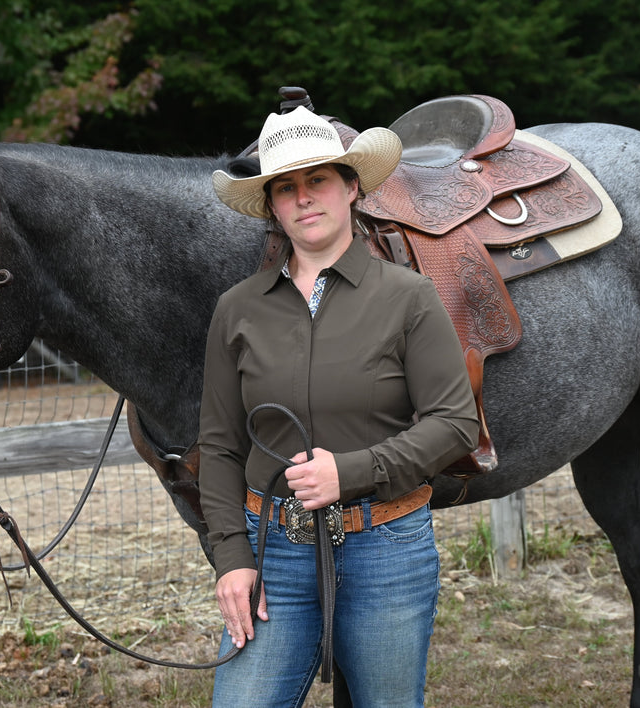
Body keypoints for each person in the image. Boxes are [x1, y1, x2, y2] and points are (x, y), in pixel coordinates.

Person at [199, 101, 481, 707]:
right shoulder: (238, 309)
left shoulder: (409, 298)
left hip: (386, 549)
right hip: (272, 551)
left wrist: (350, 471)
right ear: (272, 205)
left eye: (319, 179)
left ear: (352, 187)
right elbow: (220, 446)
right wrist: (231, 557)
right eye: (286, 187)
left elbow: (456, 423)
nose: (304, 198)